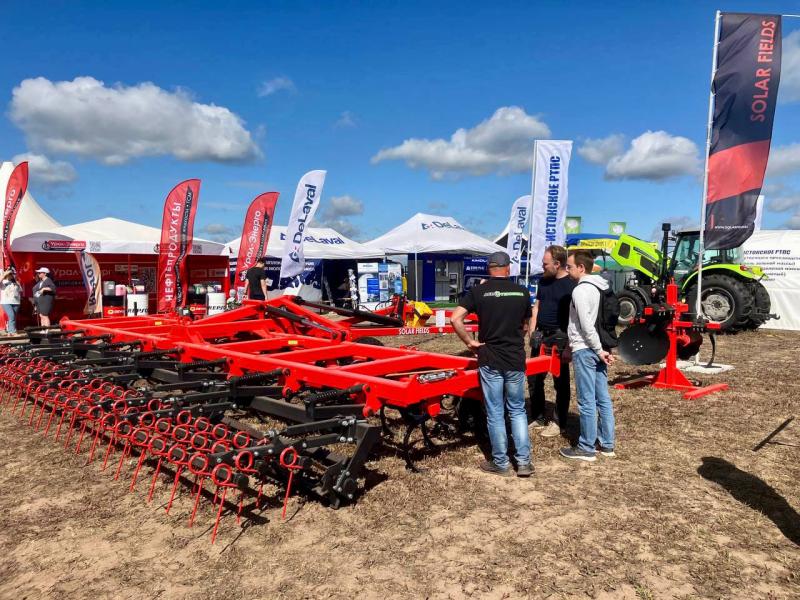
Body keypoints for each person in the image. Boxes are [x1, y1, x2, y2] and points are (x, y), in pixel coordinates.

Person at [452, 251, 534, 477]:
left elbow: (455, 318)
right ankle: (524, 462)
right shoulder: (522, 292)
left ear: (489, 268)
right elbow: (526, 325)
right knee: (517, 410)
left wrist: (469, 342)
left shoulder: (479, 291)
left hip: (490, 358)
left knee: (495, 412)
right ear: (508, 268)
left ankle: (500, 462)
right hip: (515, 358)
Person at [560, 250, 616, 462]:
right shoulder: (601, 287)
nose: (567, 270)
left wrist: (597, 349)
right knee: (602, 398)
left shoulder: (580, 290)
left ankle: (586, 447)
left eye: (570, 267)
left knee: (586, 400)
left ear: (581, 268)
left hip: (586, 348)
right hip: (599, 347)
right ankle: (607, 443)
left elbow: (586, 325)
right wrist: (602, 350)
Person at [528, 245, 575, 438]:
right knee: (534, 379)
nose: (542, 266)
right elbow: (536, 307)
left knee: (560, 382)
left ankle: (558, 422)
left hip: (560, 337)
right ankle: (538, 417)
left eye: (545, 264)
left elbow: (574, 318)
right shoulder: (544, 281)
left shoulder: (571, 285)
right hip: (541, 335)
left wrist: (570, 345)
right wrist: (532, 330)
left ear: (557, 264)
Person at [0, 269, 21, 335]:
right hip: (6, 302)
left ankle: (10, 332)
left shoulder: (15, 282)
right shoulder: (3, 281)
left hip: (16, 302)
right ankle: (13, 331)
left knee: (13, 317)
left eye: (12, 274)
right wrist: (4, 274)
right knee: (11, 315)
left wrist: (17, 283)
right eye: (10, 274)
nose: (11, 275)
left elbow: (20, 290)